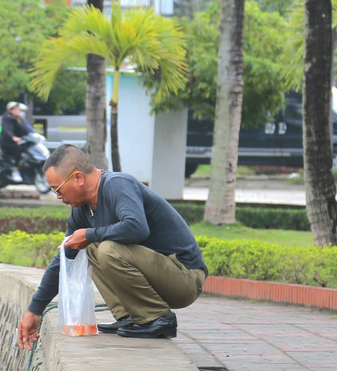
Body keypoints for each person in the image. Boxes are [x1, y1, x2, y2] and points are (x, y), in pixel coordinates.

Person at [16, 144, 206, 347]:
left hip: (185, 278)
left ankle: (158, 319)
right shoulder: (82, 210)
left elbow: (137, 227)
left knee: (106, 248)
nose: (58, 196)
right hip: (161, 277)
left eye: (57, 189)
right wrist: (34, 311)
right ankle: (129, 317)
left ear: (78, 178)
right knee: (88, 247)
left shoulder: (117, 185)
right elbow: (64, 258)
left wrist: (90, 234)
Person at [0, 101, 33, 184]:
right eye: (15, 109)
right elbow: (7, 130)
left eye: (18, 109)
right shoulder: (6, 118)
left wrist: (33, 134)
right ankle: (15, 170)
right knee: (18, 149)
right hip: (7, 143)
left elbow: (26, 128)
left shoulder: (19, 118)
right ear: (10, 110)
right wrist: (13, 137)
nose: (18, 111)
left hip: (18, 141)